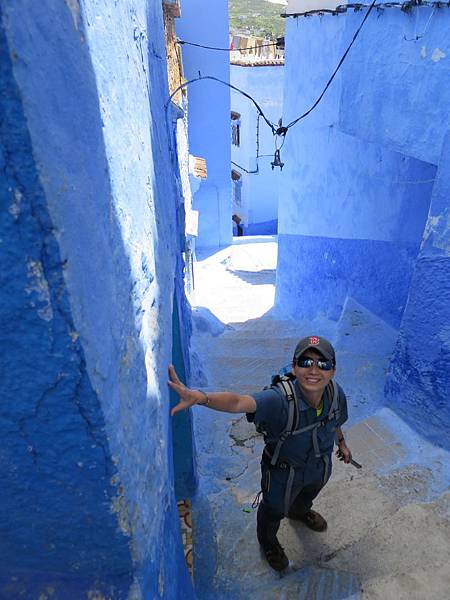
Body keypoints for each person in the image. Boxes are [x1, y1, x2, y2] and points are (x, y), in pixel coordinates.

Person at [169, 335, 353, 571]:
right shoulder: (280, 399)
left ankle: (299, 511)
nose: (314, 370)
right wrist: (201, 398)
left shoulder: (336, 394)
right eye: (306, 362)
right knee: (273, 509)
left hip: (319, 467)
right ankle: (268, 541)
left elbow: (335, 421)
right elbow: (238, 402)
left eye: (323, 364)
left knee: (308, 494)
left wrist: (342, 444)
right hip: (284, 474)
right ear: (294, 367)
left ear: (333, 370)